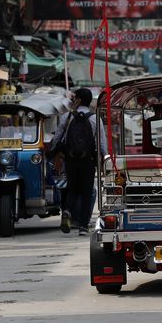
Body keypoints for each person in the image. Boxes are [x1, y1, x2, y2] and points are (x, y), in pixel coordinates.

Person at [51, 88, 107, 236]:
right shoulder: (95, 118)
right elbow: (102, 142)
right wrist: (105, 159)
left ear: (79, 100)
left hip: (70, 160)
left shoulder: (67, 116)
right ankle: (83, 227)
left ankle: (68, 211)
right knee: (87, 192)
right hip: (88, 160)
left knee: (73, 189)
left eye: (74, 98)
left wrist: (54, 152)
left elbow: (58, 137)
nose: (73, 100)